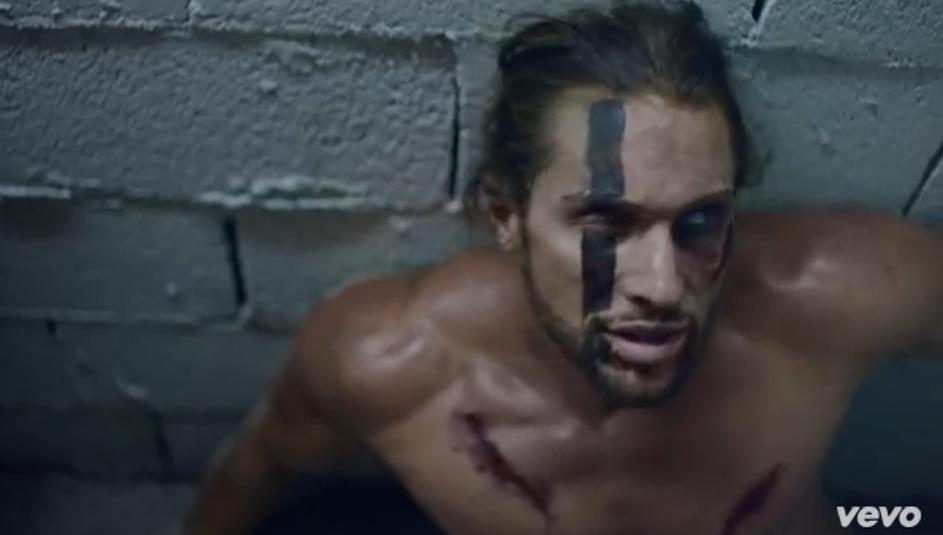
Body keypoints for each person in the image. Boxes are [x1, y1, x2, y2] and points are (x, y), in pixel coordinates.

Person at [184, 2, 943, 534]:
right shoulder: (389, 362)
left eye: (699, 221)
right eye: (606, 226)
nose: (662, 285)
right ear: (505, 215)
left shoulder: (841, 291)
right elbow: (255, 467)